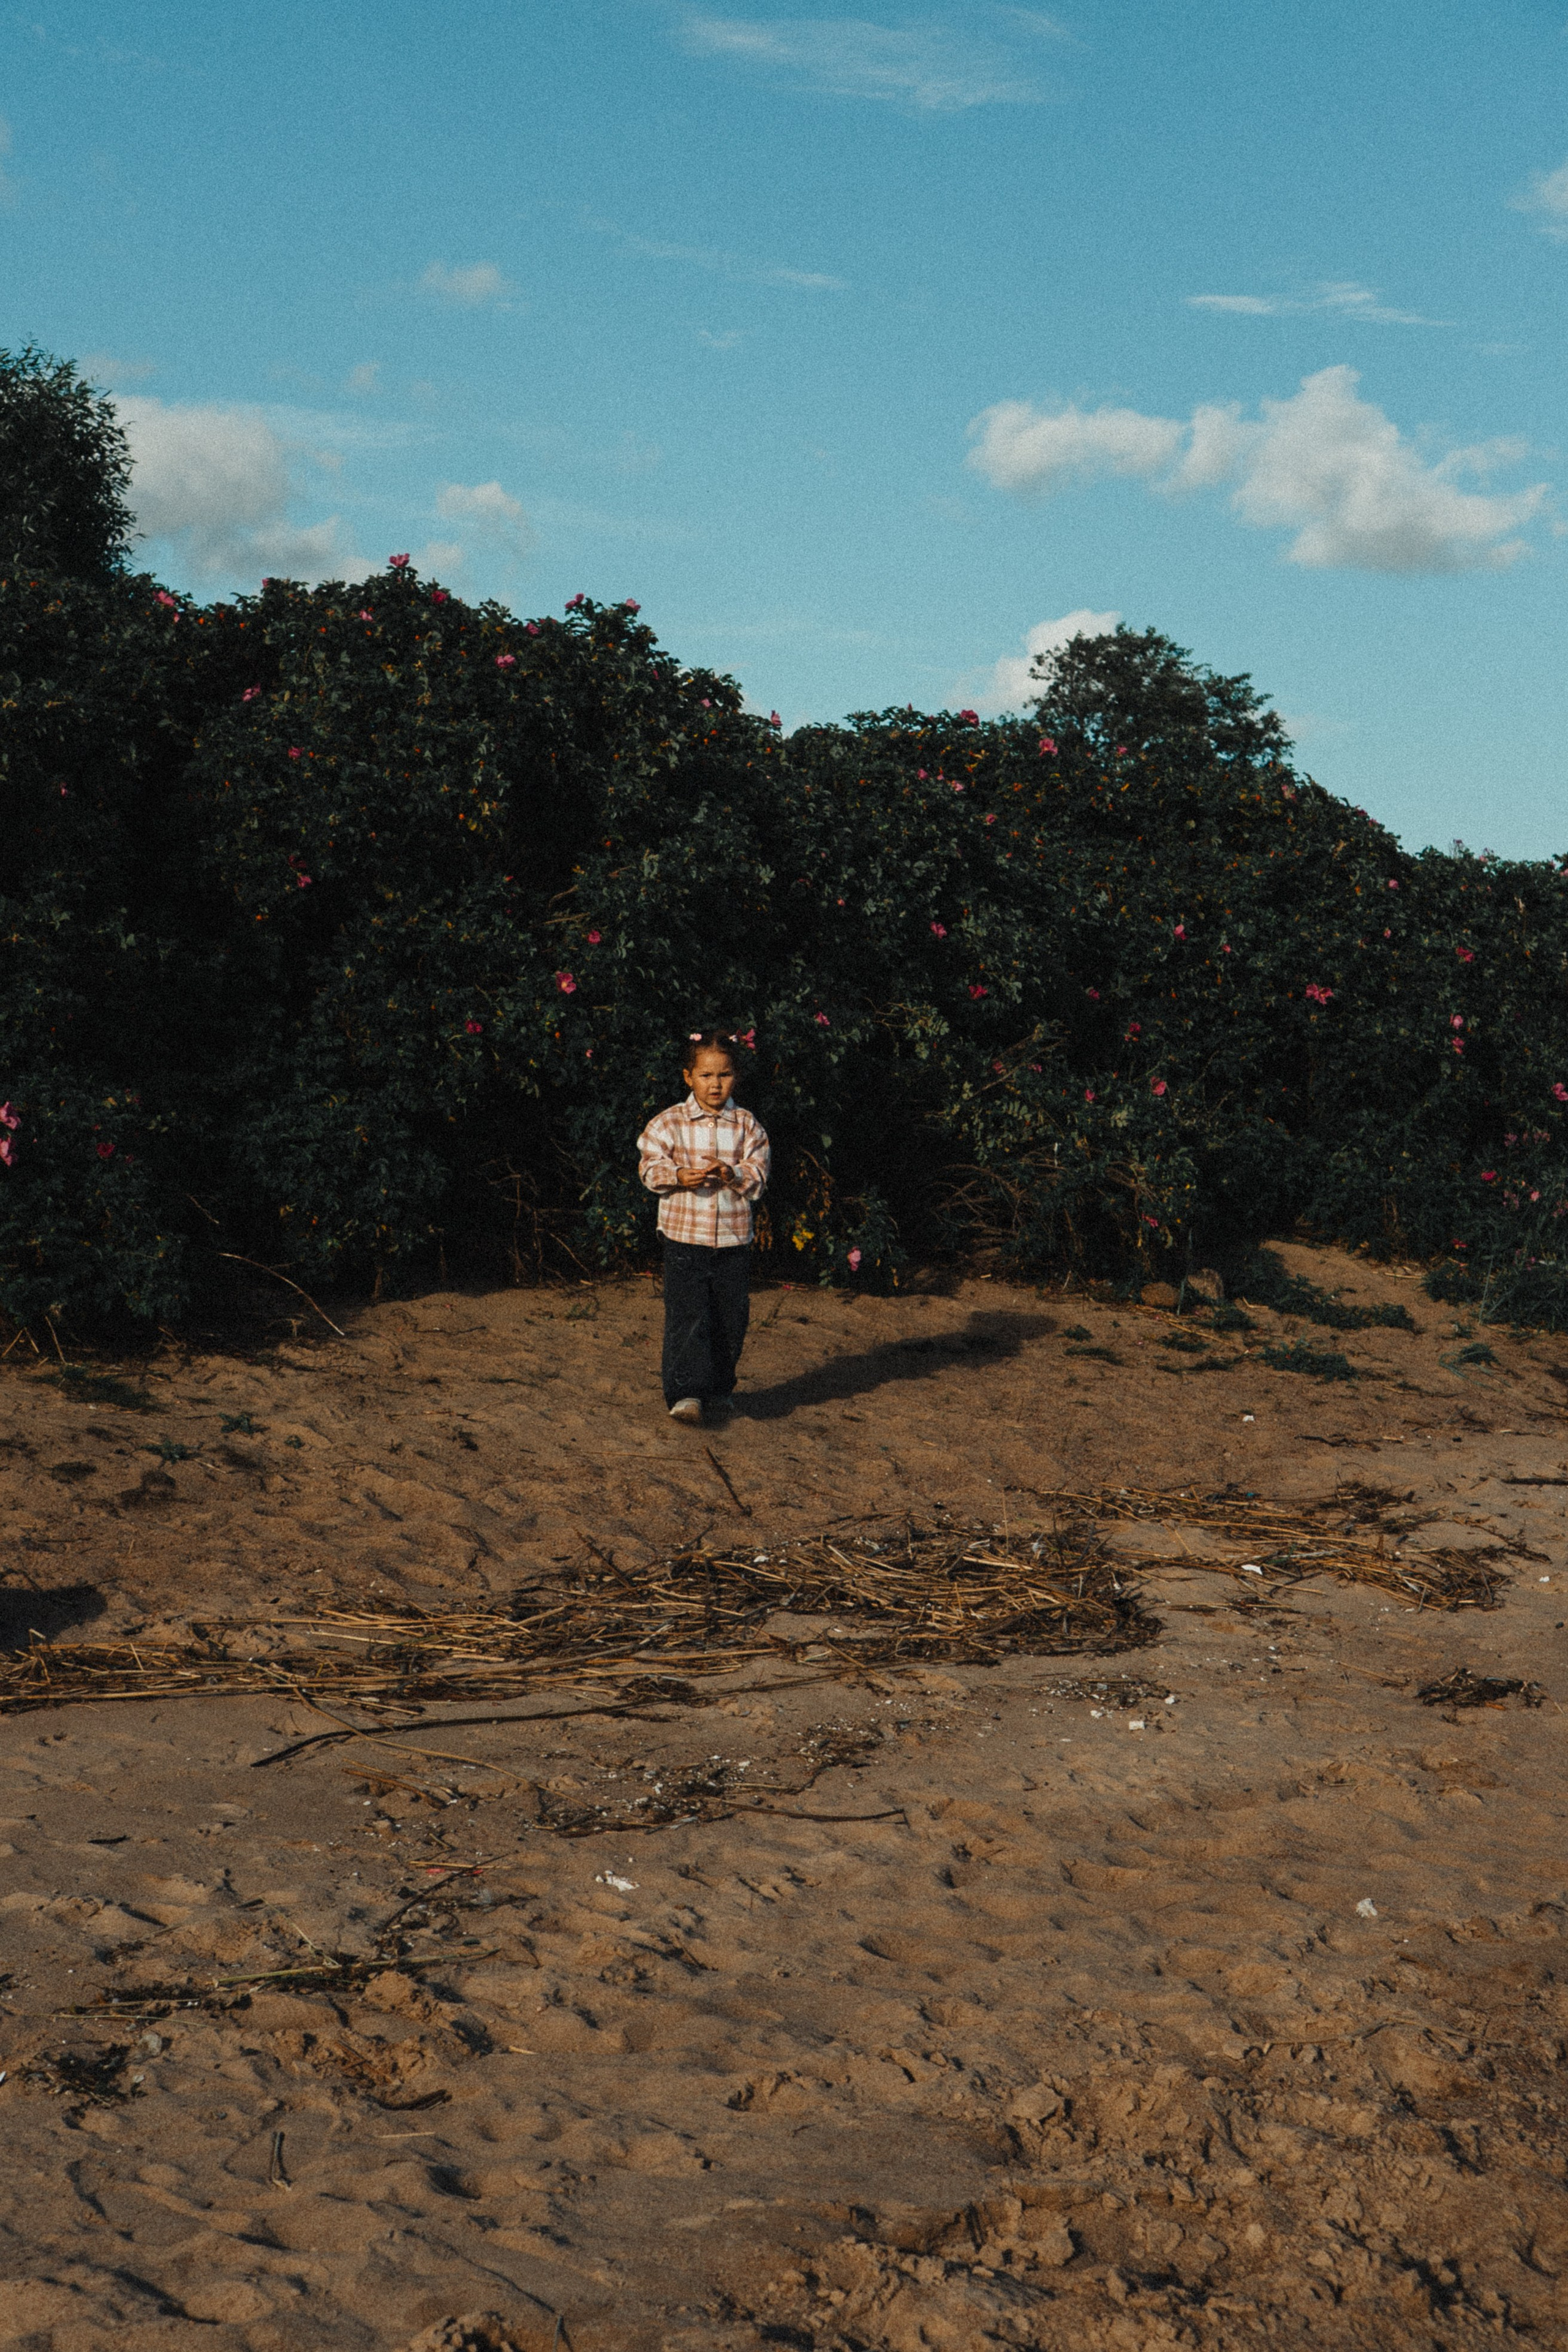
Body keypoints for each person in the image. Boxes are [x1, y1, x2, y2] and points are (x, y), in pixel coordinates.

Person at [637, 1030, 771, 1425]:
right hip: (684, 1239)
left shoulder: (747, 1126)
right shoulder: (668, 1123)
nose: (715, 1084)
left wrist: (732, 1174)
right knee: (687, 1315)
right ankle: (686, 1394)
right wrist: (678, 1175)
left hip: (733, 1240)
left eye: (724, 1075)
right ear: (688, 1077)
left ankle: (718, 1390)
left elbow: (759, 1178)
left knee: (731, 1318)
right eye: (706, 1075)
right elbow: (649, 1168)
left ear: (736, 1077)